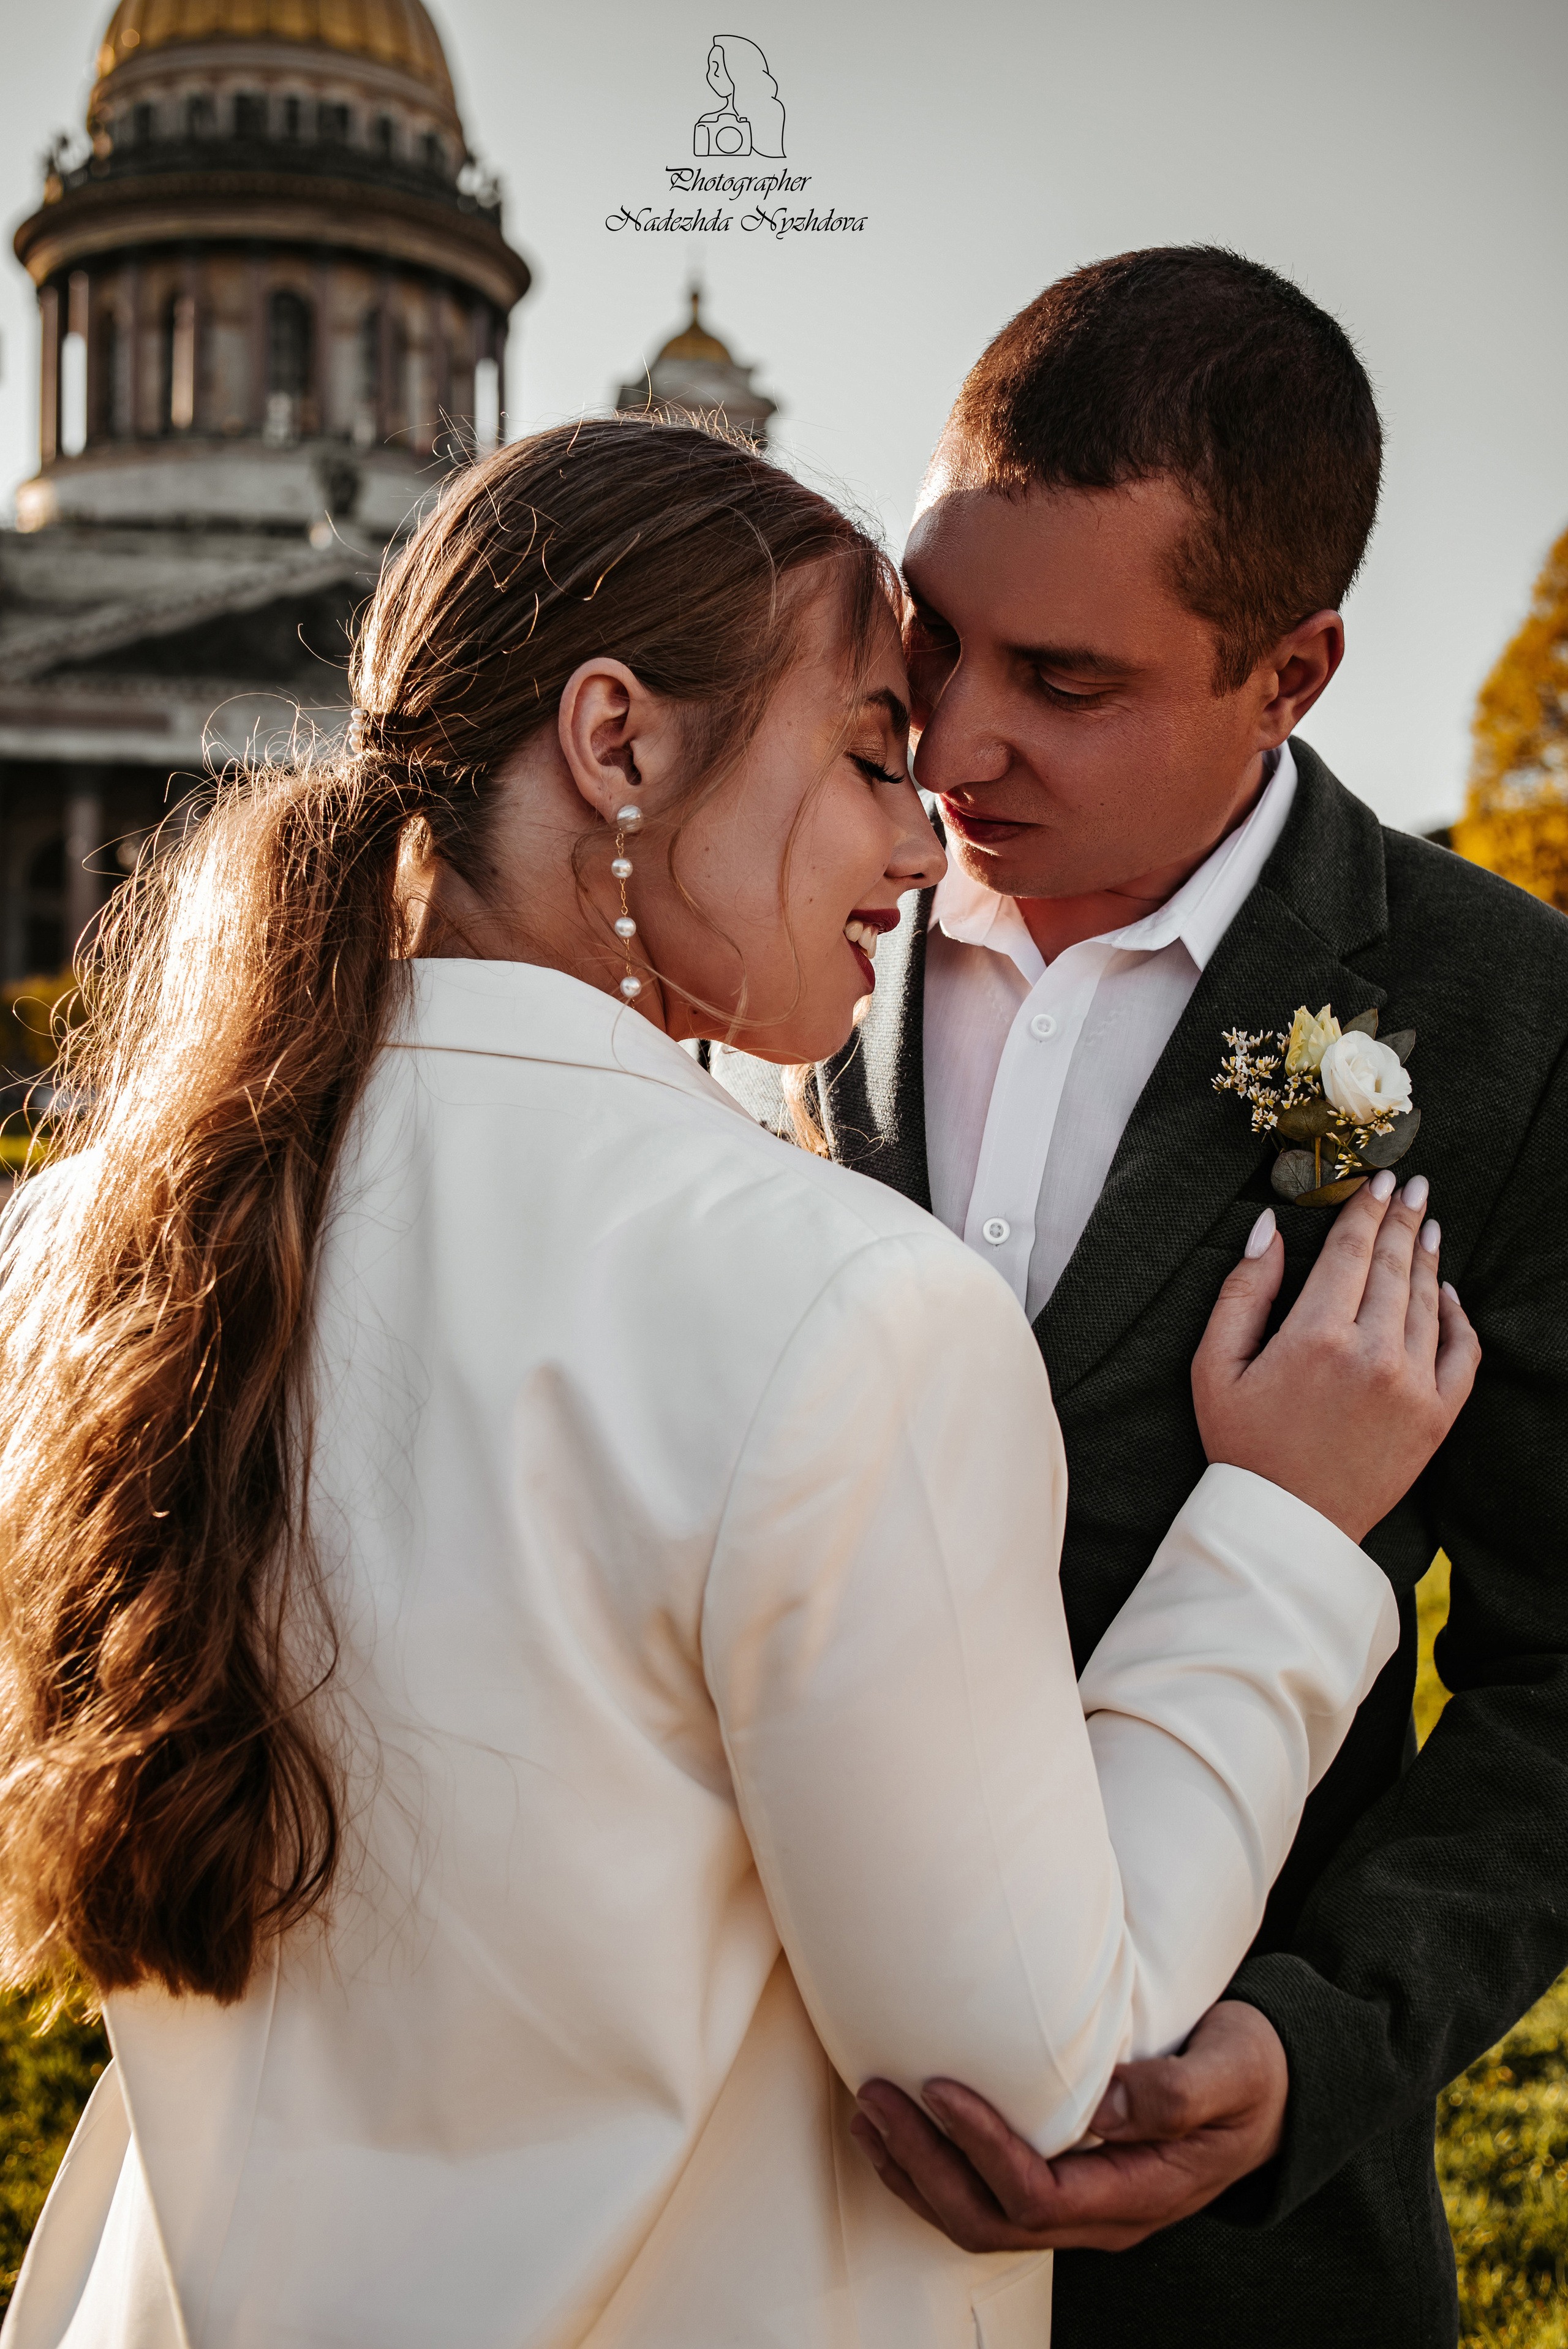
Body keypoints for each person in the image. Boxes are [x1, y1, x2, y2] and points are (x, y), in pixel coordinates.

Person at [0, 420, 1472, 2349]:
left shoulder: (87, 1247)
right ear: (615, 742)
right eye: (872, 751)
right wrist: (1282, 1535)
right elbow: (1036, 2073)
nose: (924, 831)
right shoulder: (842, 1306)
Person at [709, 249, 1568, 2349]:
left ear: (1292, 673)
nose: (960, 738)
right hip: (738, 2182)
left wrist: (1314, 2039)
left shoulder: (1500, 1015)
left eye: (1070, 681)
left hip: (1229, 2260)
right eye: (938, 637)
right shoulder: (753, 904)